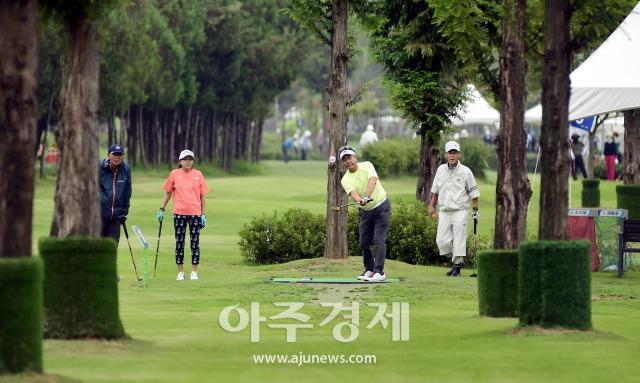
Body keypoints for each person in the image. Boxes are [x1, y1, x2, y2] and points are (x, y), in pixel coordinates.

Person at [339, 145, 391, 282]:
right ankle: (369, 269)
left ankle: (379, 272)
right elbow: (353, 194)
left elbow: (372, 180)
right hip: (366, 211)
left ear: (355, 157)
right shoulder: (345, 179)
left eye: (349, 157)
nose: (348, 161)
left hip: (381, 206)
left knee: (379, 239)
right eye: (344, 159)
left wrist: (367, 196)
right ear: (342, 163)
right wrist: (359, 200)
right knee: (363, 242)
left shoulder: (367, 165)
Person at [428, 141, 480, 277]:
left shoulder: (466, 171)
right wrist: (431, 206)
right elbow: (435, 190)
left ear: (459, 154)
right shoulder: (440, 170)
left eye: (455, 152)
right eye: (450, 152)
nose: (452, 155)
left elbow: (474, 193)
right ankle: (458, 260)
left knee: (458, 240)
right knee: (441, 241)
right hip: (444, 210)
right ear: (445, 155)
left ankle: (456, 267)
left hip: (460, 210)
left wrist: (475, 211)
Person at [157, 150, 210, 281]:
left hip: (195, 213)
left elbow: (202, 196)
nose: (188, 161)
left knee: (195, 243)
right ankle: (180, 272)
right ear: (180, 161)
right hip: (179, 213)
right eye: (185, 159)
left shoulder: (198, 174)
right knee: (179, 242)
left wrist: (203, 213)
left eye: (190, 159)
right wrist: (161, 208)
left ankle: (194, 271)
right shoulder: (174, 174)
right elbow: (168, 193)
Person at [99, 144, 132, 244]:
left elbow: (127, 192)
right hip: (100, 214)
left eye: (119, 155)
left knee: (113, 245)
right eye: (114, 154)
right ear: (108, 155)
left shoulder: (125, 169)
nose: (117, 157)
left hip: (117, 216)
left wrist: (124, 212)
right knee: (98, 246)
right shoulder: (99, 168)